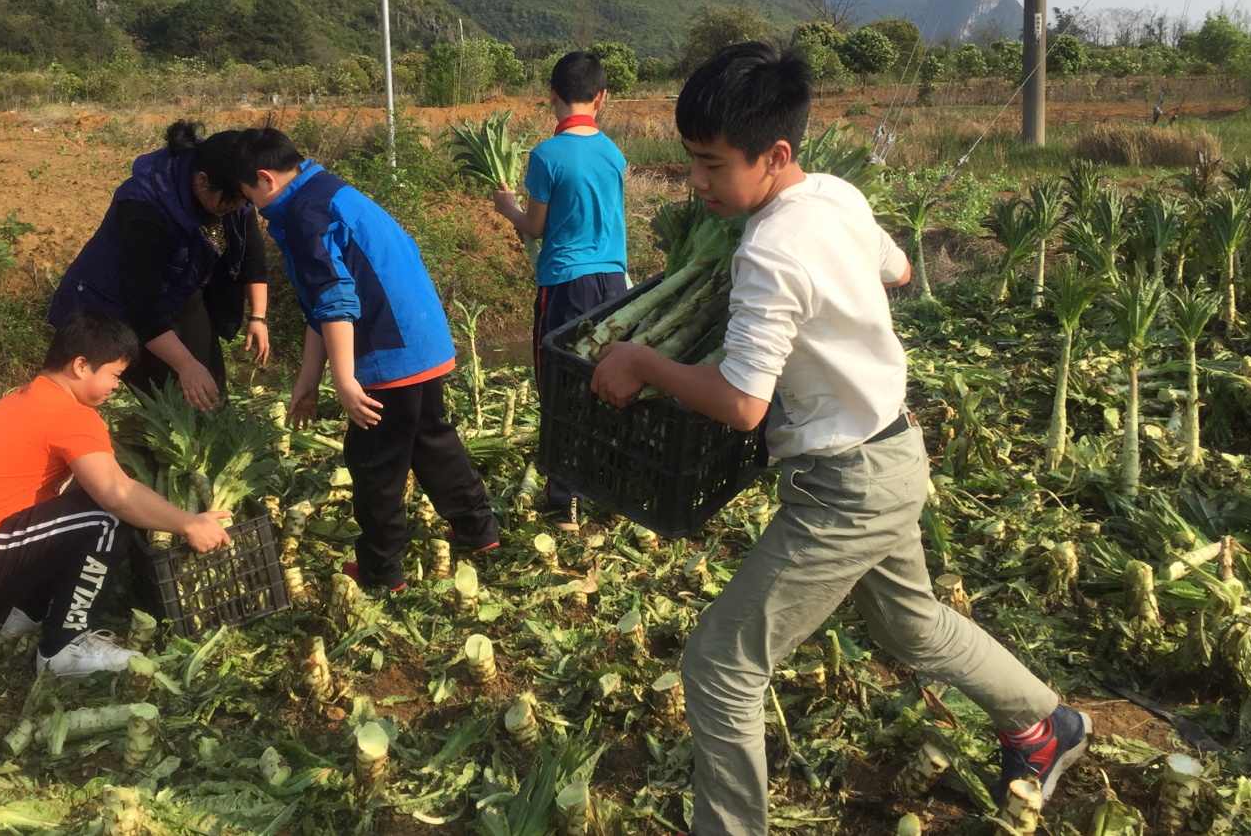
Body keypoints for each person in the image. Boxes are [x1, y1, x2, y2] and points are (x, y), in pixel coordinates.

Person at [590, 43, 1091, 836]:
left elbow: (744, 403)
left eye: (713, 165)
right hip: (891, 452)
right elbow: (894, 271)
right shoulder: (832, 195)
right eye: (691, 162)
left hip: (844, 489)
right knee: (910, 622)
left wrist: (646, 360)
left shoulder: (769, 248)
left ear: (774, 154)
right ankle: (1043, 725)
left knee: (720, 666)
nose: (697, 182)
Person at [234, 126, 500, 590]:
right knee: (430, 439)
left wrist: (345, 381)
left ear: (264, 178)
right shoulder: (327, 190)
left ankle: (382, 571)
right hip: (423, 340)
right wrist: (308, 377)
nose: (249, 205)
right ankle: (480, 532)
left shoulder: (303, 214)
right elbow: (323, 304)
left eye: (245, 194)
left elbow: (335, 301)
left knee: (375, 464)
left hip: (388, 350)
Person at [0, 310, 233, 678]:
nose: (115, 386)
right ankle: (64, 647)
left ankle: (26, 617)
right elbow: (116, 493)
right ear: (80, 365)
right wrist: (189, 524)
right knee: (107, 516)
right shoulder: (69, 415)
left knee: (76, 500)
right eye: (114, 375)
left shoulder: (26, 398)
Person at [493, 51, 628, 531]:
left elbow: (535, 226)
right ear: (602, 97)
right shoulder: (614, 153)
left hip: (565, 286)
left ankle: (563, 500)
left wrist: (506, 206)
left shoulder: (546, 155)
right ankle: (611, 484)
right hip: (615, 284)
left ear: (551, 95)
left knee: (559, 385)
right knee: (610, 380)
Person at [49, 119, 271, 411]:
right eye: (235, 199)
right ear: (202, 180)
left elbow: (252, 254)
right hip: (107, 306)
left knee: (209, 399)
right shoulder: (146, 207)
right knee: (72, 401)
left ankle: (193, 447)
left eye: (246, 199)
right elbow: (140, 305)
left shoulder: (232, 187)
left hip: (179, 289)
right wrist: (185, 365)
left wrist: (258, 316)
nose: (241, 205)